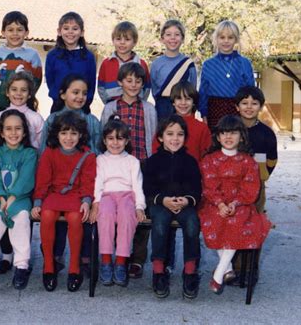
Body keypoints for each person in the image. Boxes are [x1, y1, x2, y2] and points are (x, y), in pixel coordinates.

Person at [198, 115, 272, 295]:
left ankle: (219, 274)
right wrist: (220, 204)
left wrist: (235, 203)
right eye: (223, 133)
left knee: (235, 222)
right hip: (214, 202)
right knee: (213, 220)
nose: (228, 137)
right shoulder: (209, 159)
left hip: (241, 204)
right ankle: (228, 268)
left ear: (242, 136)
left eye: (233, 133)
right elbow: (209, 185)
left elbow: (250, 187)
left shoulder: (248, 161)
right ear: (217, 137)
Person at [100, 62, 157, 280]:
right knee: (116, 211)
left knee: (141, 212)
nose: (133, 85)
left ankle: (137, 259)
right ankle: (115, 255)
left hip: (142, 163)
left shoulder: (149, 109)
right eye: (129, 80)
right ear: (120, 82)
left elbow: (152, 137)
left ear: (144, 85)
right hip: (117, 166)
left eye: (138, 81)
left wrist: (151, 164)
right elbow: (103, 137)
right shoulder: (111, 108)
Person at [31, 111, 96, 292]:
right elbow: (43, 181)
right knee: (47, 215)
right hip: (54, 195)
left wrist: (86, 200)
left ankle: (74, 268)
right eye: (64, 133)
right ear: (56, 135)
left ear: (81, 135)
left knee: (76, 218)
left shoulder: (88, 156)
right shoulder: (49, 154)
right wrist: (38, 202)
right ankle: (48, 266)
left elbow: (88, 181)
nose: (69, 138)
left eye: (73, 133)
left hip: (75, 196)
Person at [151, 80, 211, 274]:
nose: (183, 103)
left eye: (188, 99)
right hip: (165, 187)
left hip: (189, 186)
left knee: (191, 222)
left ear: (194, 102)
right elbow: (156, 154)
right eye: (179, 98)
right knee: (163, 223)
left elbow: (205, 157)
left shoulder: (201, 128)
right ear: (173, 102)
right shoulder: (165, 125)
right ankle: (164, 264)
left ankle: (191, 266)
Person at [143, 115, 202, 299]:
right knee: (159, 223)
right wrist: (162, 200)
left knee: (192, 222)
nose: (175, 138)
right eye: (170, 134)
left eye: (180, 134)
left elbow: (196, 188)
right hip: (159, 202)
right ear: (160, 137)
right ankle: (159, 271)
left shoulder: (191, 161)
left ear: (185, 137)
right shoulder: (152, 161)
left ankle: (190, 271)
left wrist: (187, 200)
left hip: (184, 203)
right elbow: (147, 188)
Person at [0, 110, 38, 291]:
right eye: (9, 129)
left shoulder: (29, 153)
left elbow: (26, 179)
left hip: (20, 199)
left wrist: (11, 198)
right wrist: (2, 198)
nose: (13, 133)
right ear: (2, 133)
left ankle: (21, 265)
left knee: (21, 219)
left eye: (18, 129)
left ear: (25, 132)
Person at [89, 116, 146, 287]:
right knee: (104, 215)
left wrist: (139, 207)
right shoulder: (100, 160)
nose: (115, 143)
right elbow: (98, 183)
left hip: (127, 195)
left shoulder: (132, 161)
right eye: (111, 138)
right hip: (106, 195)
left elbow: (137, 185)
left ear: (127, 140)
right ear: (105, 140)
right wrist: (96, 203)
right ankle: (106, 261)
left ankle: (121, 261)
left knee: (127, 216)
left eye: (120, 138)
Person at [228, 86, 278, 284]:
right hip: (230, 188)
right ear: (237, 106)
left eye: (254, 103)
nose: (249, 107)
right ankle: (234, 268)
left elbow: (272, 161)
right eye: (244, 103)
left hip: (256, 189)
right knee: (233, 226)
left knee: (252, 226)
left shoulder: (266, 133)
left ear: (261, 107)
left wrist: (261, 178)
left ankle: (250, 269)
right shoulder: (229, 130)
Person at [198, 20, 255, 130]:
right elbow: (203, 92)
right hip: (214, 111)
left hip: (238, 111)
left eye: (230, 37)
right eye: (222, 37)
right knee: (215, 145)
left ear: (236, 39)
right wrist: (204, 114)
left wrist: (249, 114)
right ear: (216, 39)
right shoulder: (208, 64)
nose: (226, 41)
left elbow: (250, 91)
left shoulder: (244, 63)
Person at [0, 11, 43, 113]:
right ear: (3, 32)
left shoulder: (32, 55)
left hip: (25, 104)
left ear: (26, 32)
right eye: (10, 30)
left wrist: (25, 95)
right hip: (1, 104)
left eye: (19, 30)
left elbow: (37, 80)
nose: (15, 34)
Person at [45, 11, 96, 112]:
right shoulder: (52, 56)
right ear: (59, 31)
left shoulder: (88, 57)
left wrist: (84, 102)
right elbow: (51, 82)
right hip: (58, 108)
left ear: (82, 32)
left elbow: (91, 83)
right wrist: (59, 99)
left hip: (82, 107)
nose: (70, 32)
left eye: (75, 28)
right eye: (66, 28)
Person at [150, 19, 197, 121]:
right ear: (162, 38)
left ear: (183, 38)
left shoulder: (189, 64)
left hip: (183, 108)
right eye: (168, 34)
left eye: (177, 34)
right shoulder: (156, 64)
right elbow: (154, 89)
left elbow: (192, 89)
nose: (172, 38)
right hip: (162, 109)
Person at [0, 71, 44, 150]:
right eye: (14, 89)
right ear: (7, 92)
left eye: (23, 90)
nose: (18, 93)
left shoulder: (36, 118)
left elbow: (43, 146)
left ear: (29, 94)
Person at [97, 21, 151, 104]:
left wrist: (140, 104)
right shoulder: (106, 63)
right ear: (113, 40)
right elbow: (101, 87)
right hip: (112, 107)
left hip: (136, 107)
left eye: (127, 39)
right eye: (118, 39)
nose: (122, 42)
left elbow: (146, 88)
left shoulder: (141, 64)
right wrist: (109, 104)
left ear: (134, 42)